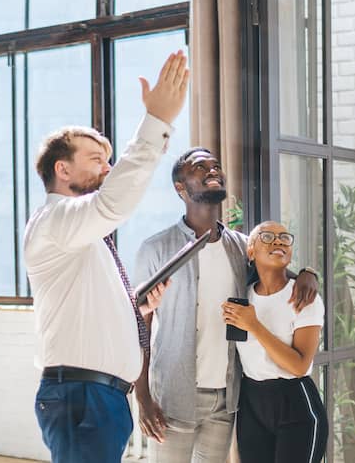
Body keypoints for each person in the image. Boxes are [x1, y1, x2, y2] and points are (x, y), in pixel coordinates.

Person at [24, 51, 189, 463]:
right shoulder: (55, 219)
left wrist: (138, 306)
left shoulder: (84, 237)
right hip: (84, 396)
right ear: (62, 170)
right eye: (96, 160)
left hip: (100, 397)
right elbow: (112, 204)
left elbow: (90, 307)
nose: (108, 168)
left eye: (109, 160)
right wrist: (156, 124)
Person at [133, 148, 320, 463]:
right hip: (173, 399)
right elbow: (140, 327)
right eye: (200, 166)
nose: (212, 170)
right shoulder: (156, 249)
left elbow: (280, 271)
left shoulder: (240, 246)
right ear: (180, 188)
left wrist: (309, 273)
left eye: (215, 165)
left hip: (226, 400)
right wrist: (142, 397)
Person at [221, 221, 328, 463]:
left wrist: (255, 326)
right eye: (267, 237)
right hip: (251, 405)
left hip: (295, 406)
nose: (278, 241)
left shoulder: (304, 297)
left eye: (284, 238)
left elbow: (299, 366)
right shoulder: (242, 296)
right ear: (250, 251)